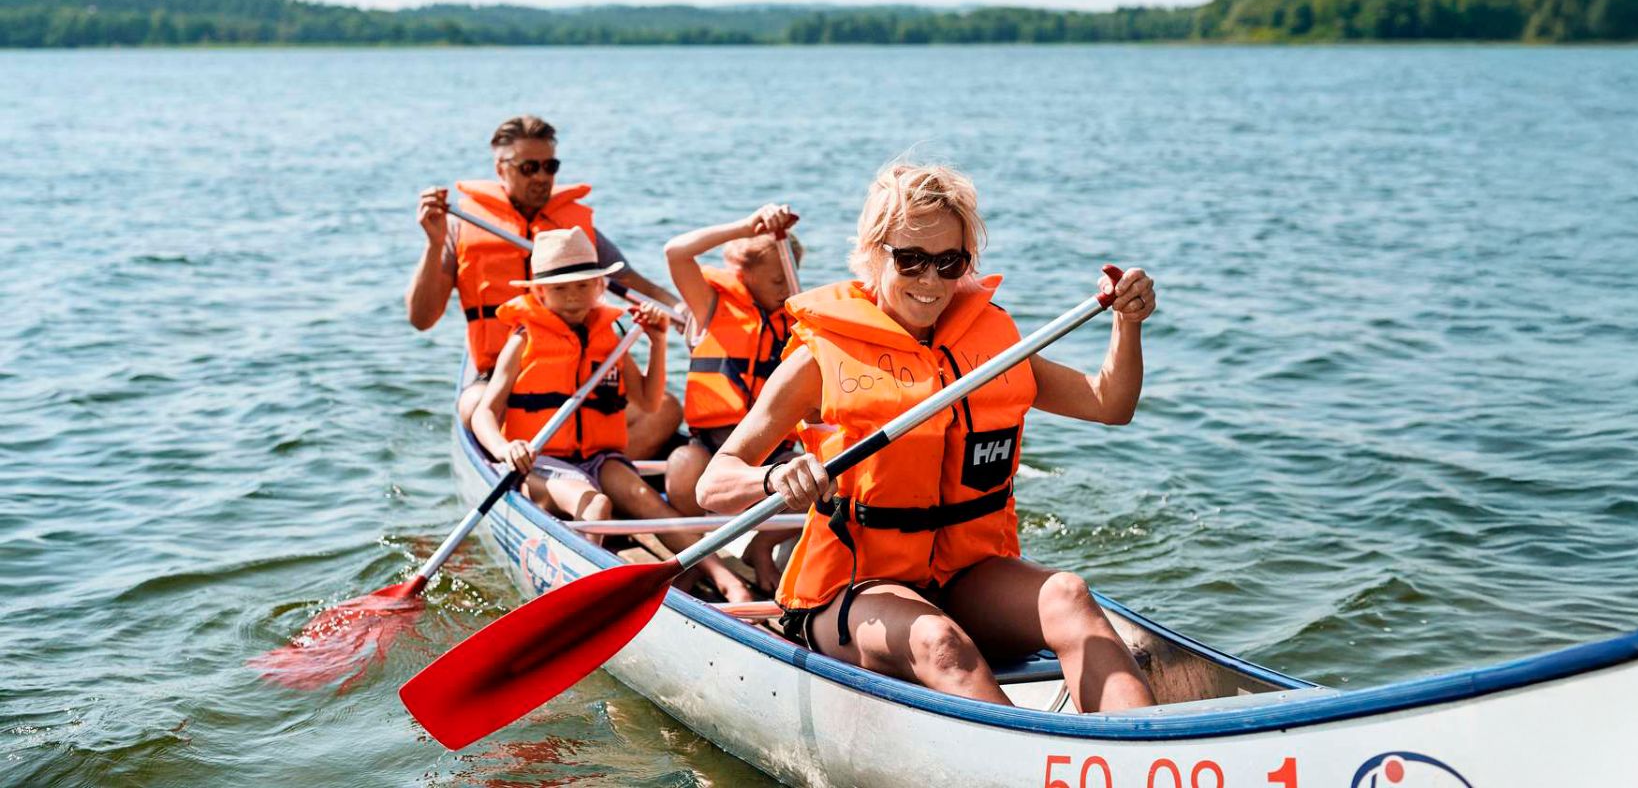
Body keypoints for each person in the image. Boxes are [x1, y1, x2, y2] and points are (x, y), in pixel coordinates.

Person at [695, 162, 1159, 712]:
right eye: (910, 259)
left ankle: (1132, 751)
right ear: (873, 253)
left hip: (964, 577)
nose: (931, 281)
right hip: (853, 593)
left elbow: (1110, 404)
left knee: (1068, 594)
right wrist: (774, 476)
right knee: (939, 642)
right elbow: (712, 484)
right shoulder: (817, 361)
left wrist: (1127, 324)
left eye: (949, 262)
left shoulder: (992, 348)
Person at [468, 228, 751, 600]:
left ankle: (723, 577)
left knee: (642, 496)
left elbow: (648, 402)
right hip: (542, 461)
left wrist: (657, 341)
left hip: (598, 458)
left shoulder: (610, 336)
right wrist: (506, 449)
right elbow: (484, 414)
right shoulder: (523, 339)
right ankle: (588, 589)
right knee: (597, 504)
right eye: (560, 289)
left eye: (583, 286)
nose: (573, 297)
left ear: (600, 285)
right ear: (539, 292)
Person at [405, 115, 684, 467]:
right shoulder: (462, 229)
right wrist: (434, 245)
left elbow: (638, 286)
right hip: (497, 375)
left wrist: (685, 313)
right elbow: (421, 319)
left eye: (550, 166)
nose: (541, 177)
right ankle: (542, 475)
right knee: (476, 407)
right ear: (501, 168)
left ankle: (588, 469)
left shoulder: (574, 238)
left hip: (580, 370)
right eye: (528, 167)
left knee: (667, 410)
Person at [663, 203, 808, 592]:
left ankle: (761, 547)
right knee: (679, 465)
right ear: (744, 274)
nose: (785, 288)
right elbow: (676, 252)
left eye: (790, 278)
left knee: (820, 479)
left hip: (771, 452)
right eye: (776, 279)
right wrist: (746, 227)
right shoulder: (712, 305)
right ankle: (696, 557)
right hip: (711, 446)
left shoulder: (798, 321)